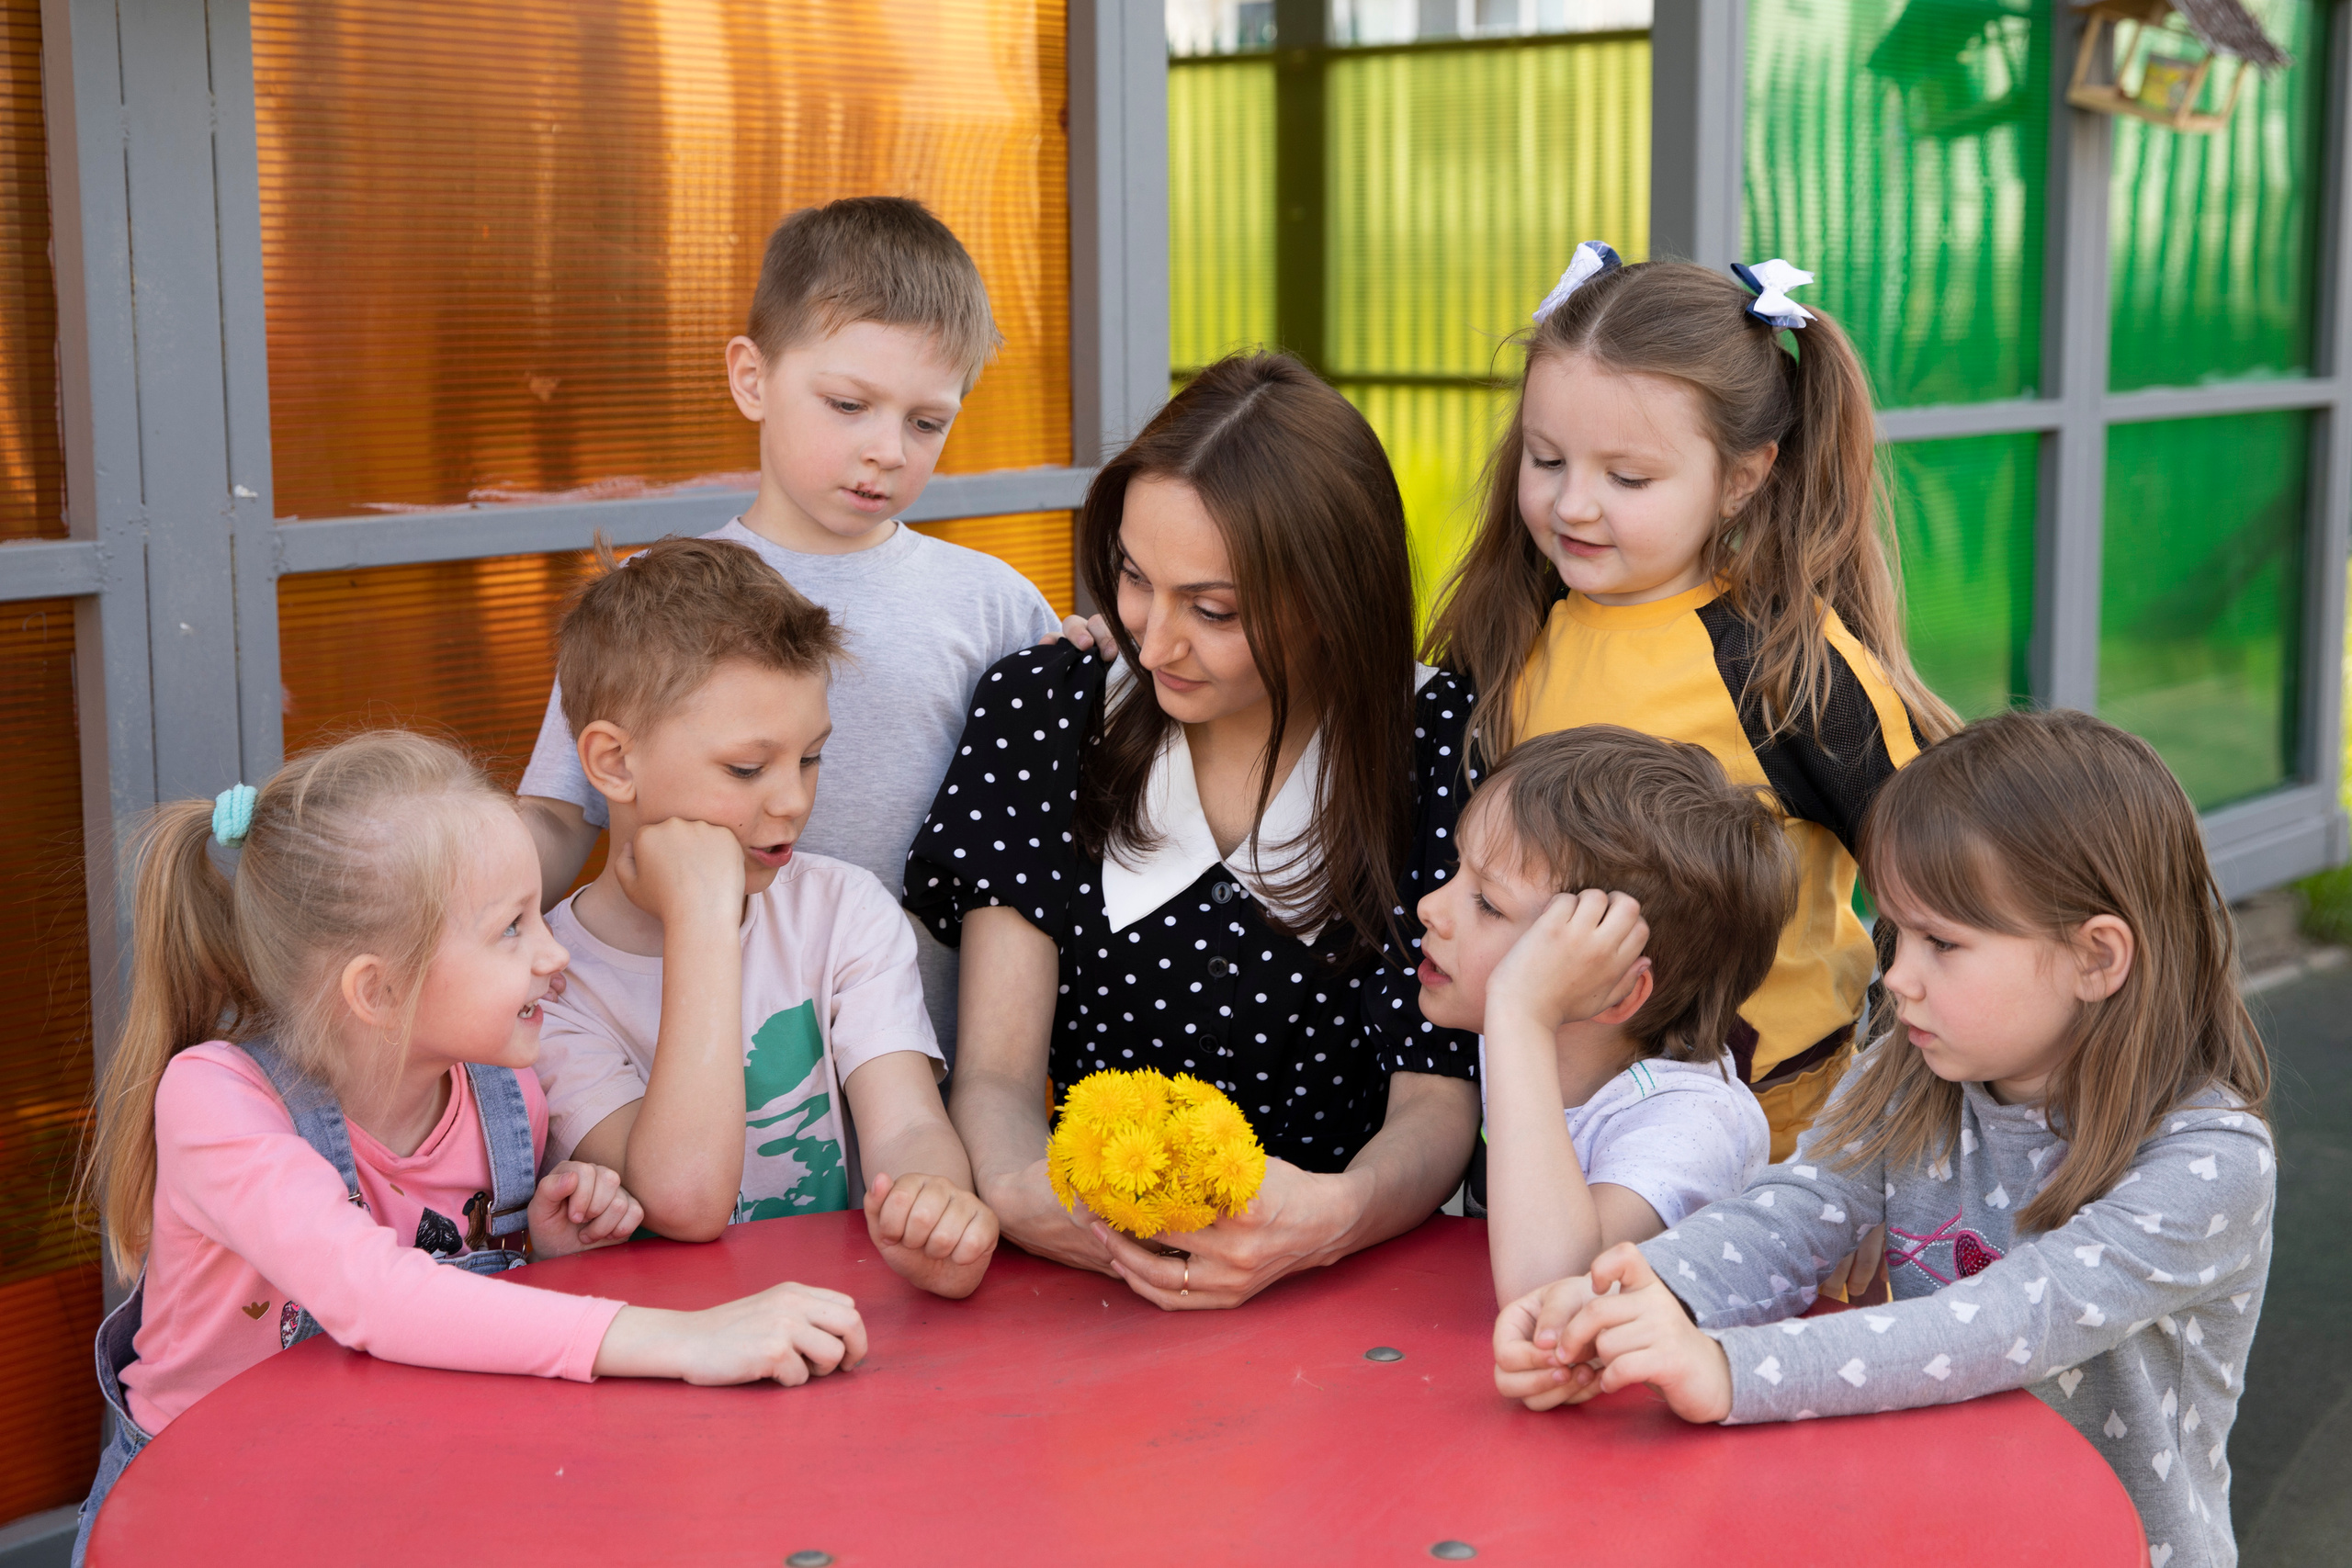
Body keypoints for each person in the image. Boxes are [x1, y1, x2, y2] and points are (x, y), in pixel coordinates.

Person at [1493, 709, 2273, 1568]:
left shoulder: (2211, 1162)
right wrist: (1638, 1297)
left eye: (1944, 942)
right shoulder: (1909, 1075)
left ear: (2097, 957)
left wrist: (1725, 1368)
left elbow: (2006, 1322)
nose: (1895, 975)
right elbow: (1795, 1213)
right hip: (1946, 1529)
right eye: (1897, 931)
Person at [75, 733, 870, 1566]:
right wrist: (692, 1339)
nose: (553, 953)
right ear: (377, 989)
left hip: (387, 1487)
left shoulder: (502, 1098)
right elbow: (375, 1296)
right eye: (512, 929)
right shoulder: (217, 1100)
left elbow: (452, 1296)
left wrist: (537, 1244)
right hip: (209, 1515)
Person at [906, 353, 1482, 1310]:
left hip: (1358, 1298)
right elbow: (998, 1078)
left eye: (1212, 609)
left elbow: (1435, 1097)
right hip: (1075, 1294)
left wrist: (1332, 1218)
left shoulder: (1438, 746)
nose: (1152, 638)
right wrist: (1025, 1198)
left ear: (1334, 600)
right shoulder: (1043, 709)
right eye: (1134, 577)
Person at [1422, 244, 1962, 1162]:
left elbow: (1947, 874)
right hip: (1546, 1111)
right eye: (1546, 459)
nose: (1573, 506)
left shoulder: (1786, 667)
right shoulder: (1509, 635)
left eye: (1627, 479)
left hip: (1770, 1123)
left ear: (1743, 477)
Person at [516, 196, 1063, 1064]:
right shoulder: (653, 597)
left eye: (928, 422)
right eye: (849, 404)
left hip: (912, 1062)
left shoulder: (992, 603)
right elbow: (559, 812)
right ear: (752, 378)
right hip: (681, 1058)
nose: (889, 448)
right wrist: (455, 913)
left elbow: (1039, 832)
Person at [529, 536, 996, 1294]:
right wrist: (705, 921)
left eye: (810, 757)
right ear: (614, 762)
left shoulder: (842, 910)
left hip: (835, 1331)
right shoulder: (547, 983)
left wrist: (932, 1202)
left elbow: (907, 1124)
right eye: (747, 768)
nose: (793, 800)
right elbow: (680, 1197)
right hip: (667, 1358)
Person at [1415, 727, 1792, 1304]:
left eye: (1489, 904)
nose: (1430, 907)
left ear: (1615, 993)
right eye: (1456, 869)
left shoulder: (1693, 1124)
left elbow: (1548, 1291)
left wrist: (1522, 1014)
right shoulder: (1515, 1030)